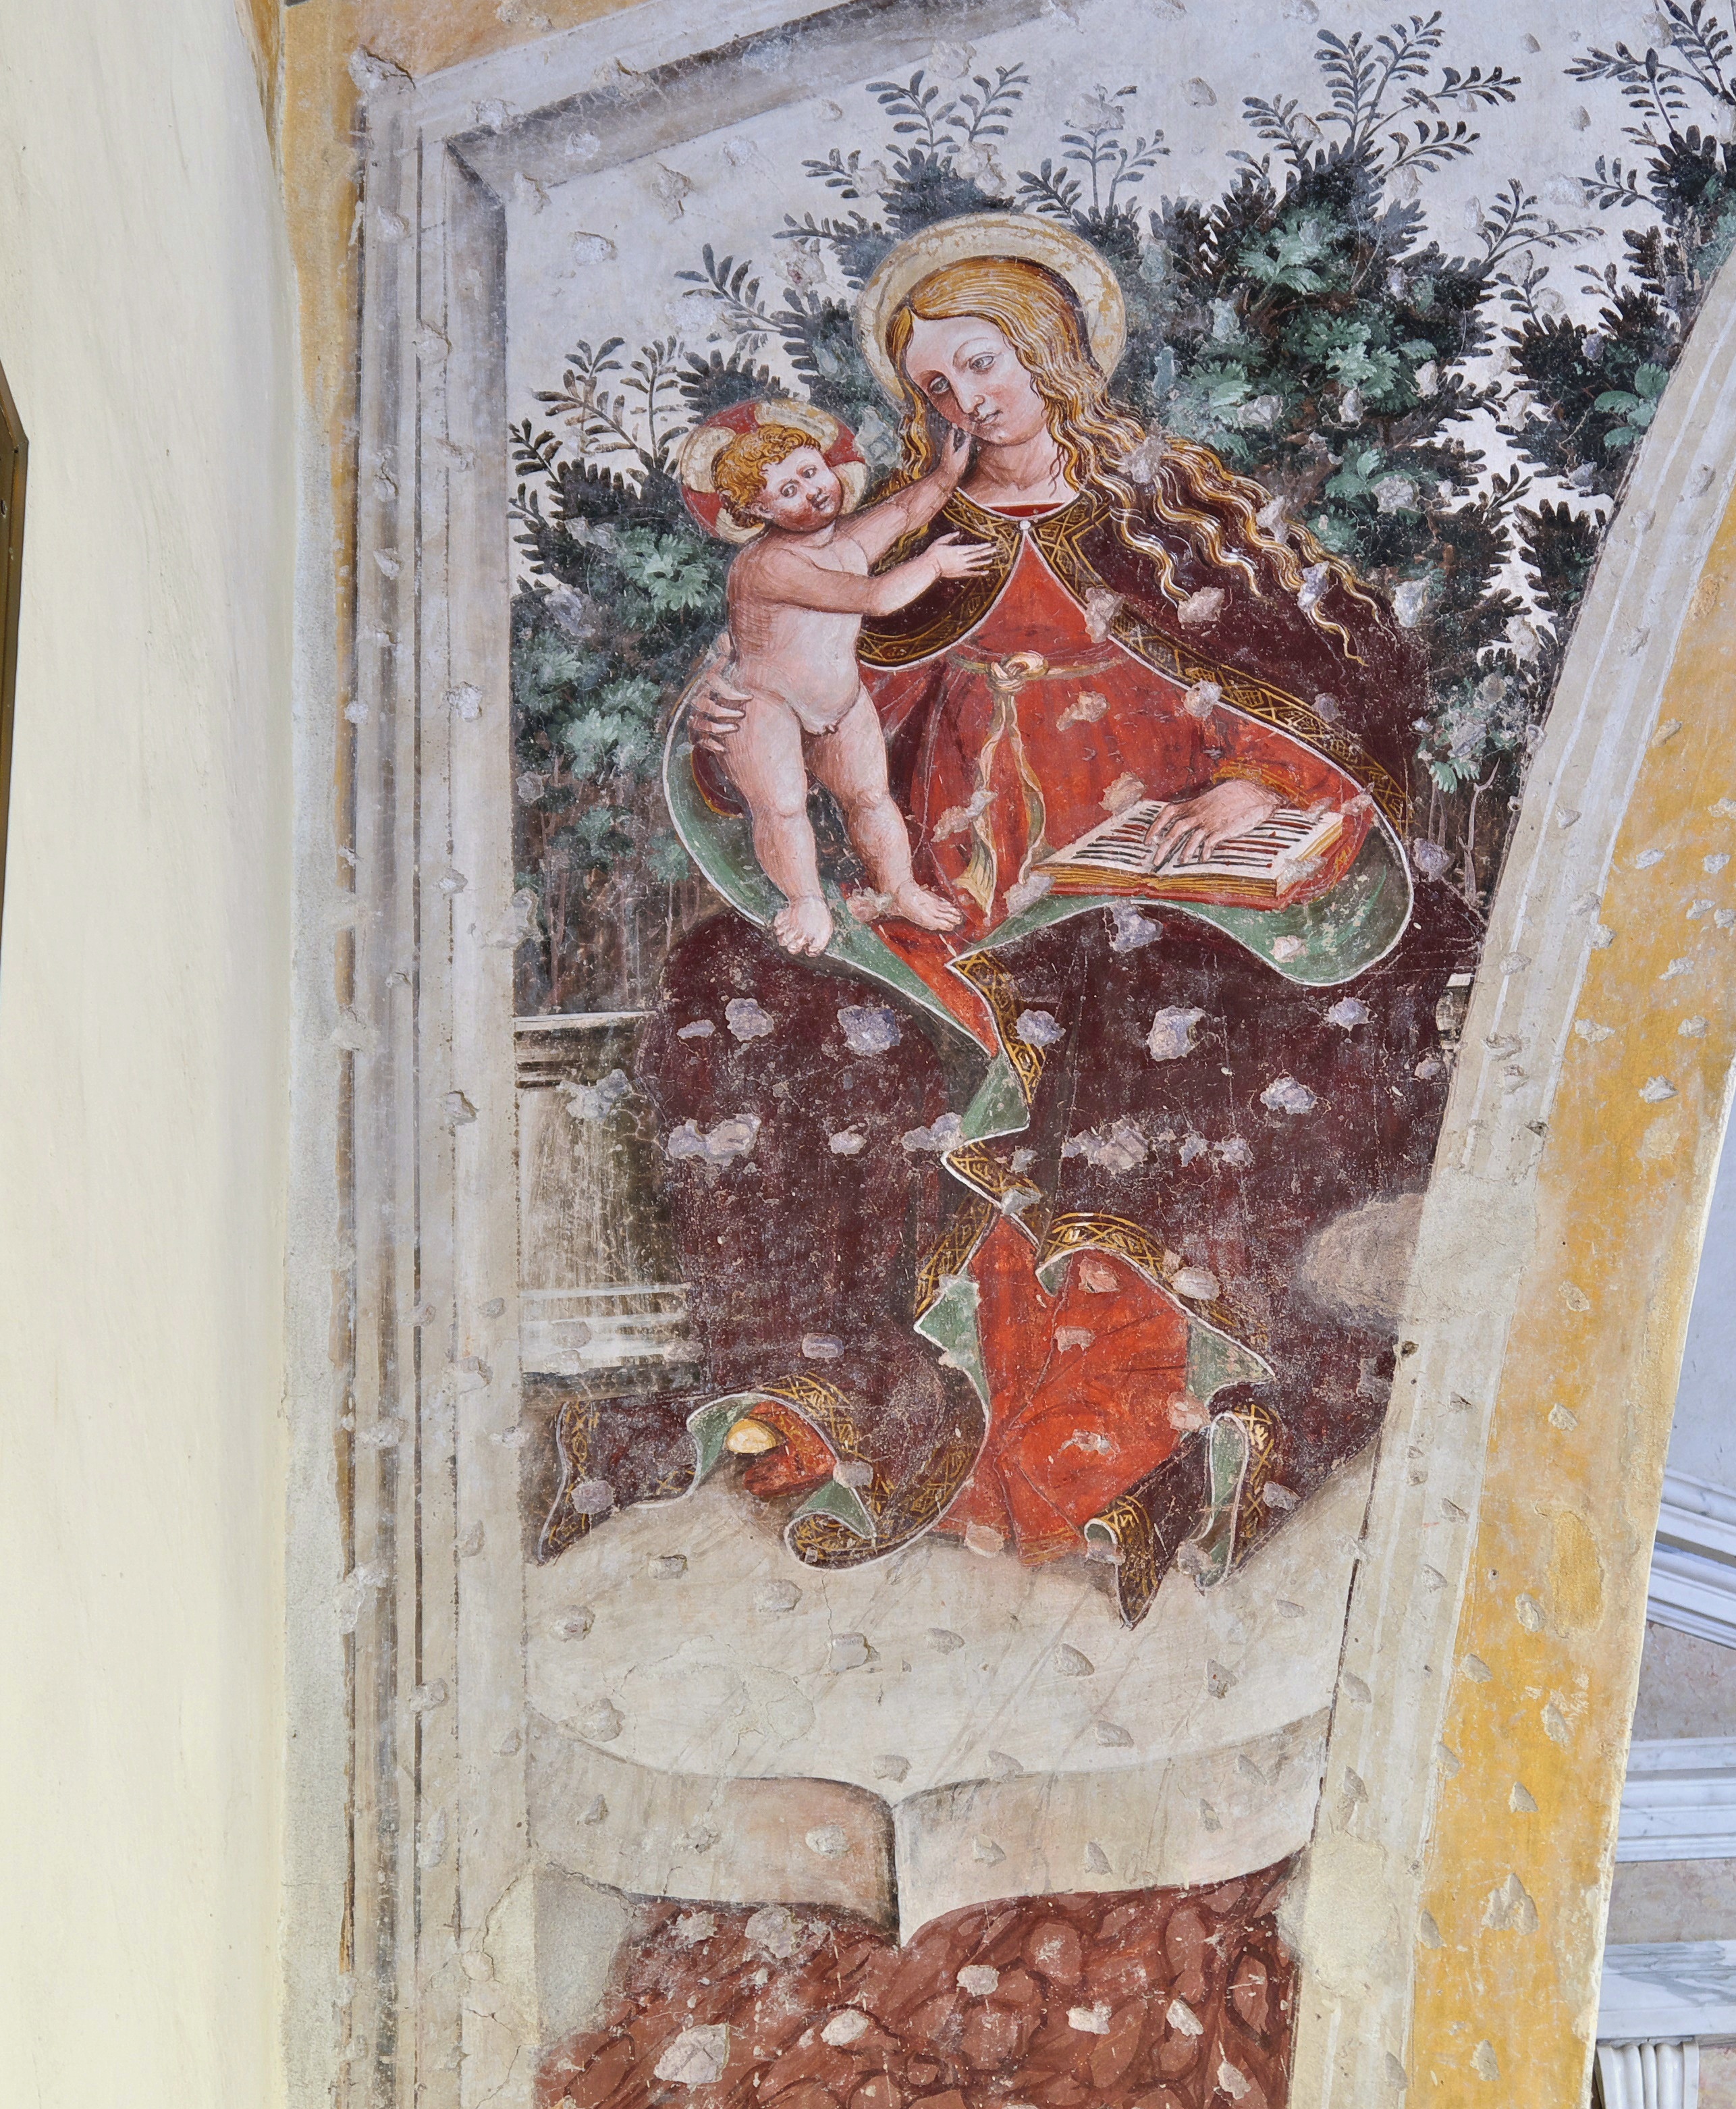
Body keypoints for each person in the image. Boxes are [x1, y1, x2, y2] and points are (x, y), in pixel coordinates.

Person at [564, 215, 1476, 1623]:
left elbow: (1336, 694)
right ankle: (854, 1415)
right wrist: (738, 725)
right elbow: (811, 695)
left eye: (983, 365)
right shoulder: (906, 544)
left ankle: (1138, 1451)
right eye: (933, 389)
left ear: (1048, 355)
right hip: (959, 882)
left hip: (1162, 880)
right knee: (738, 983)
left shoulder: (1185, 521)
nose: (965, 404)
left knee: (1121, 984)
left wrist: (1250, 786)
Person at [681, 406, 990, 955]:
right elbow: (874, 597)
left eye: (810, 471)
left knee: (871, 797)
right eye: (787, 489)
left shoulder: (844, 541)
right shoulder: (766, 566)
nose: (811, 491)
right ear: (757, 510)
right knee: (782, 805)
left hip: (840, 701)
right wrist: (934, 567)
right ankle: (805, 899)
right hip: (764, 703)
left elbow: (903, 511)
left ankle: (900, 888)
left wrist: (946, 474)